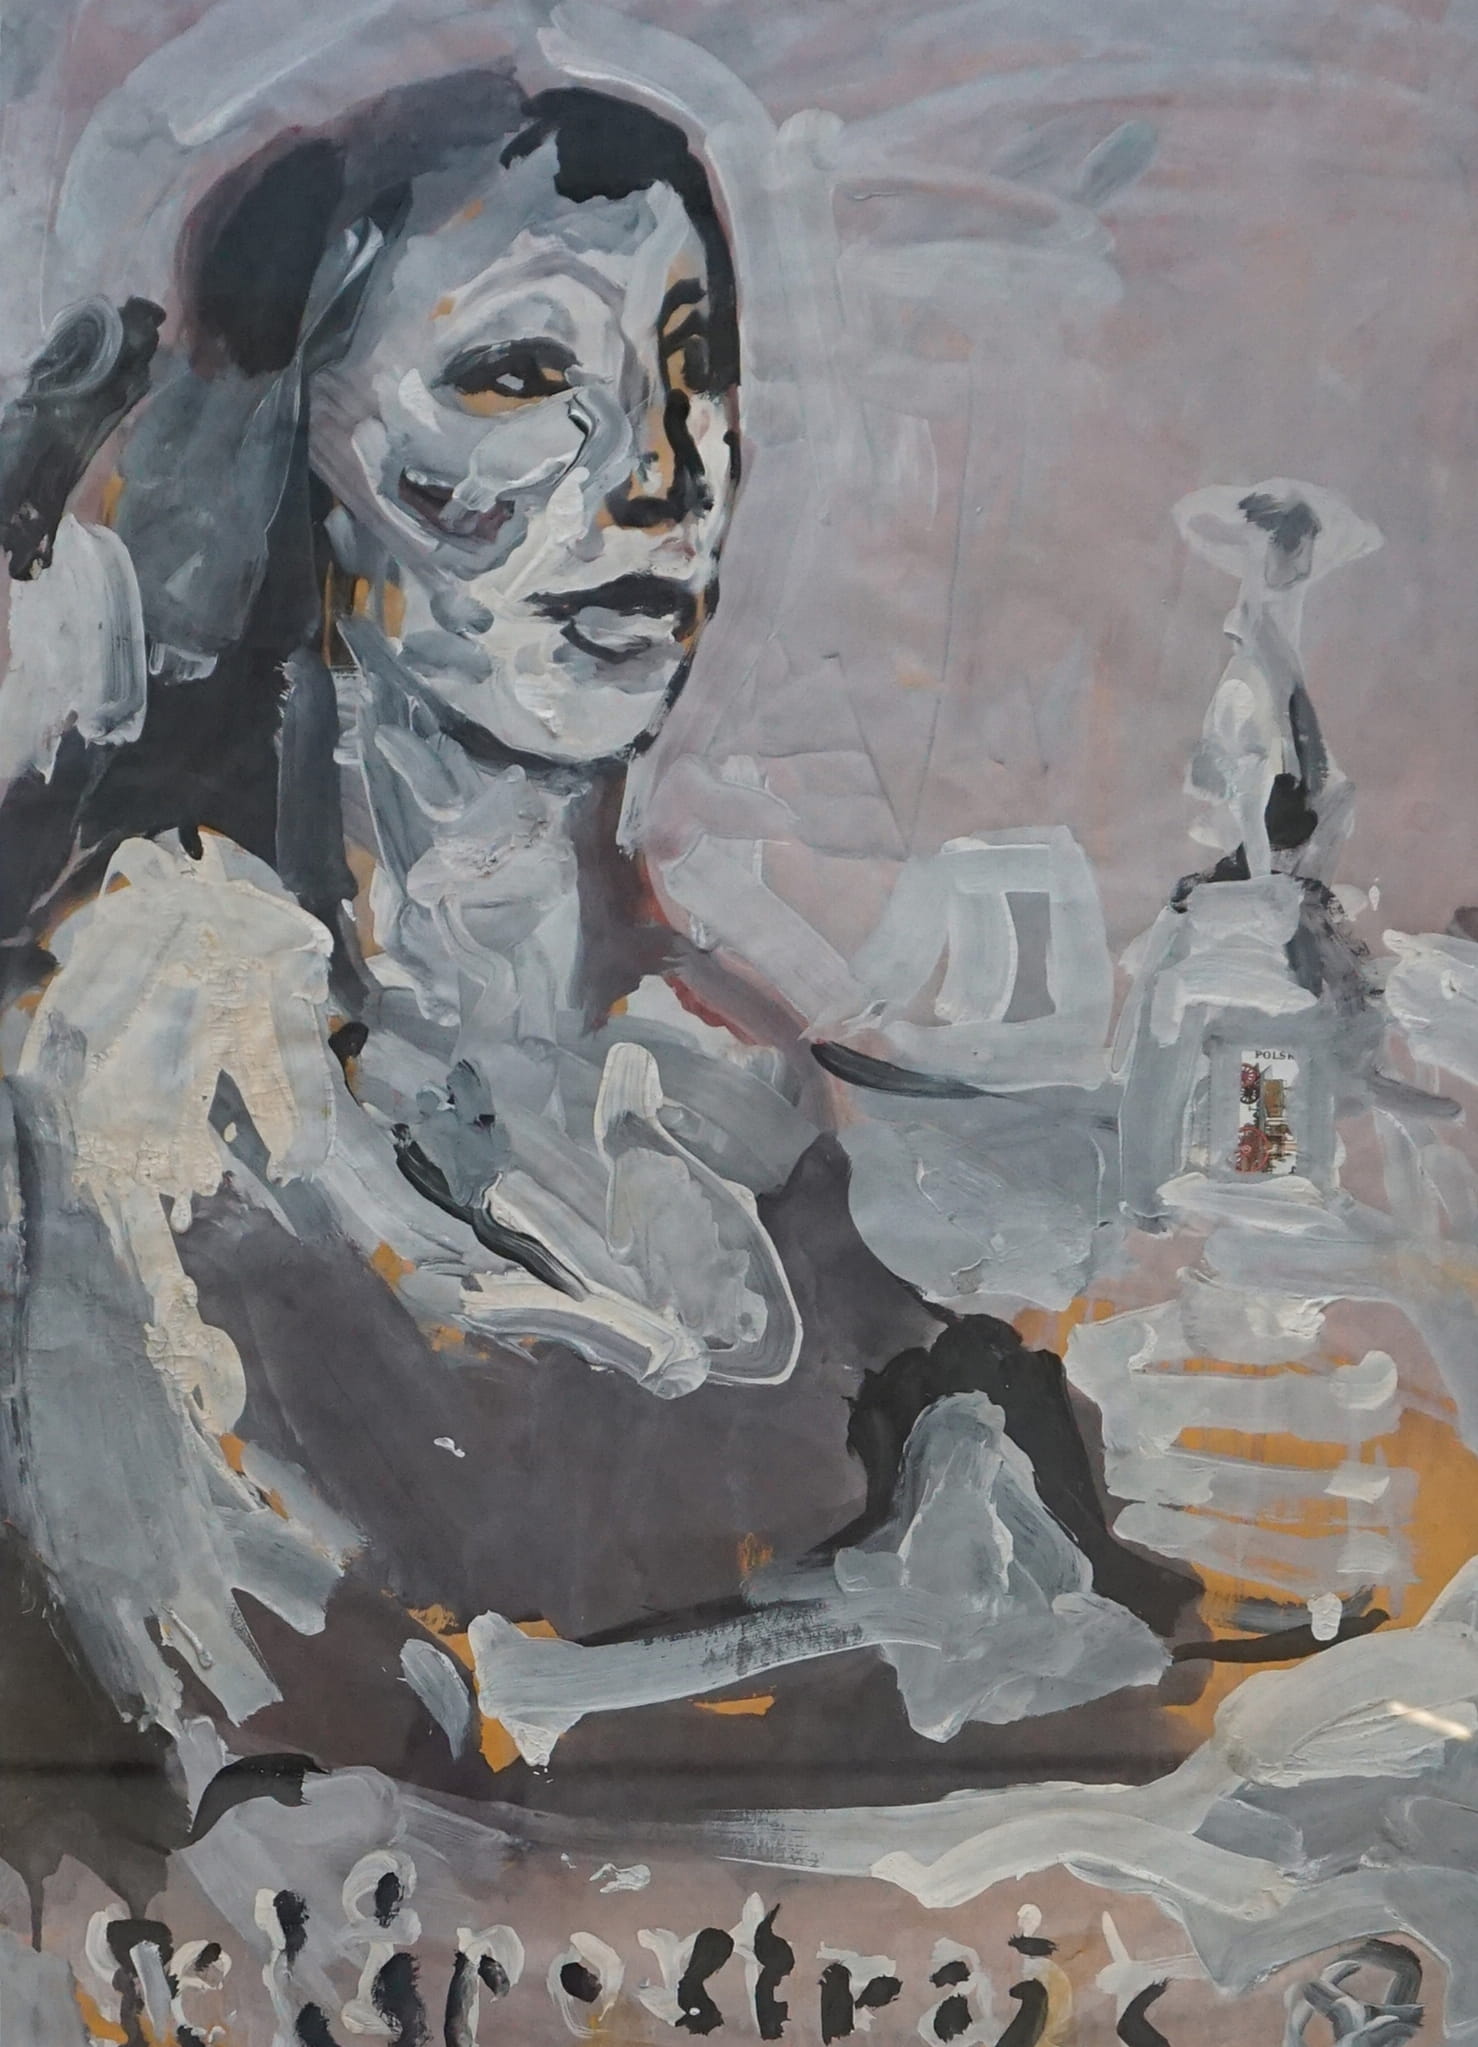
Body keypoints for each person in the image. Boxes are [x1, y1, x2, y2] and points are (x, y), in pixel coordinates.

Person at [0, 70, 1193, 1864]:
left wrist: (977, 1445)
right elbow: (294, 1744)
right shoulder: (142, 1048)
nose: (661, 474)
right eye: (517, 376)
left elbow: (931, 1403)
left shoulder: (707, 1054)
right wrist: (889, 1637)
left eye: (691, 370)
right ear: (301, 452)